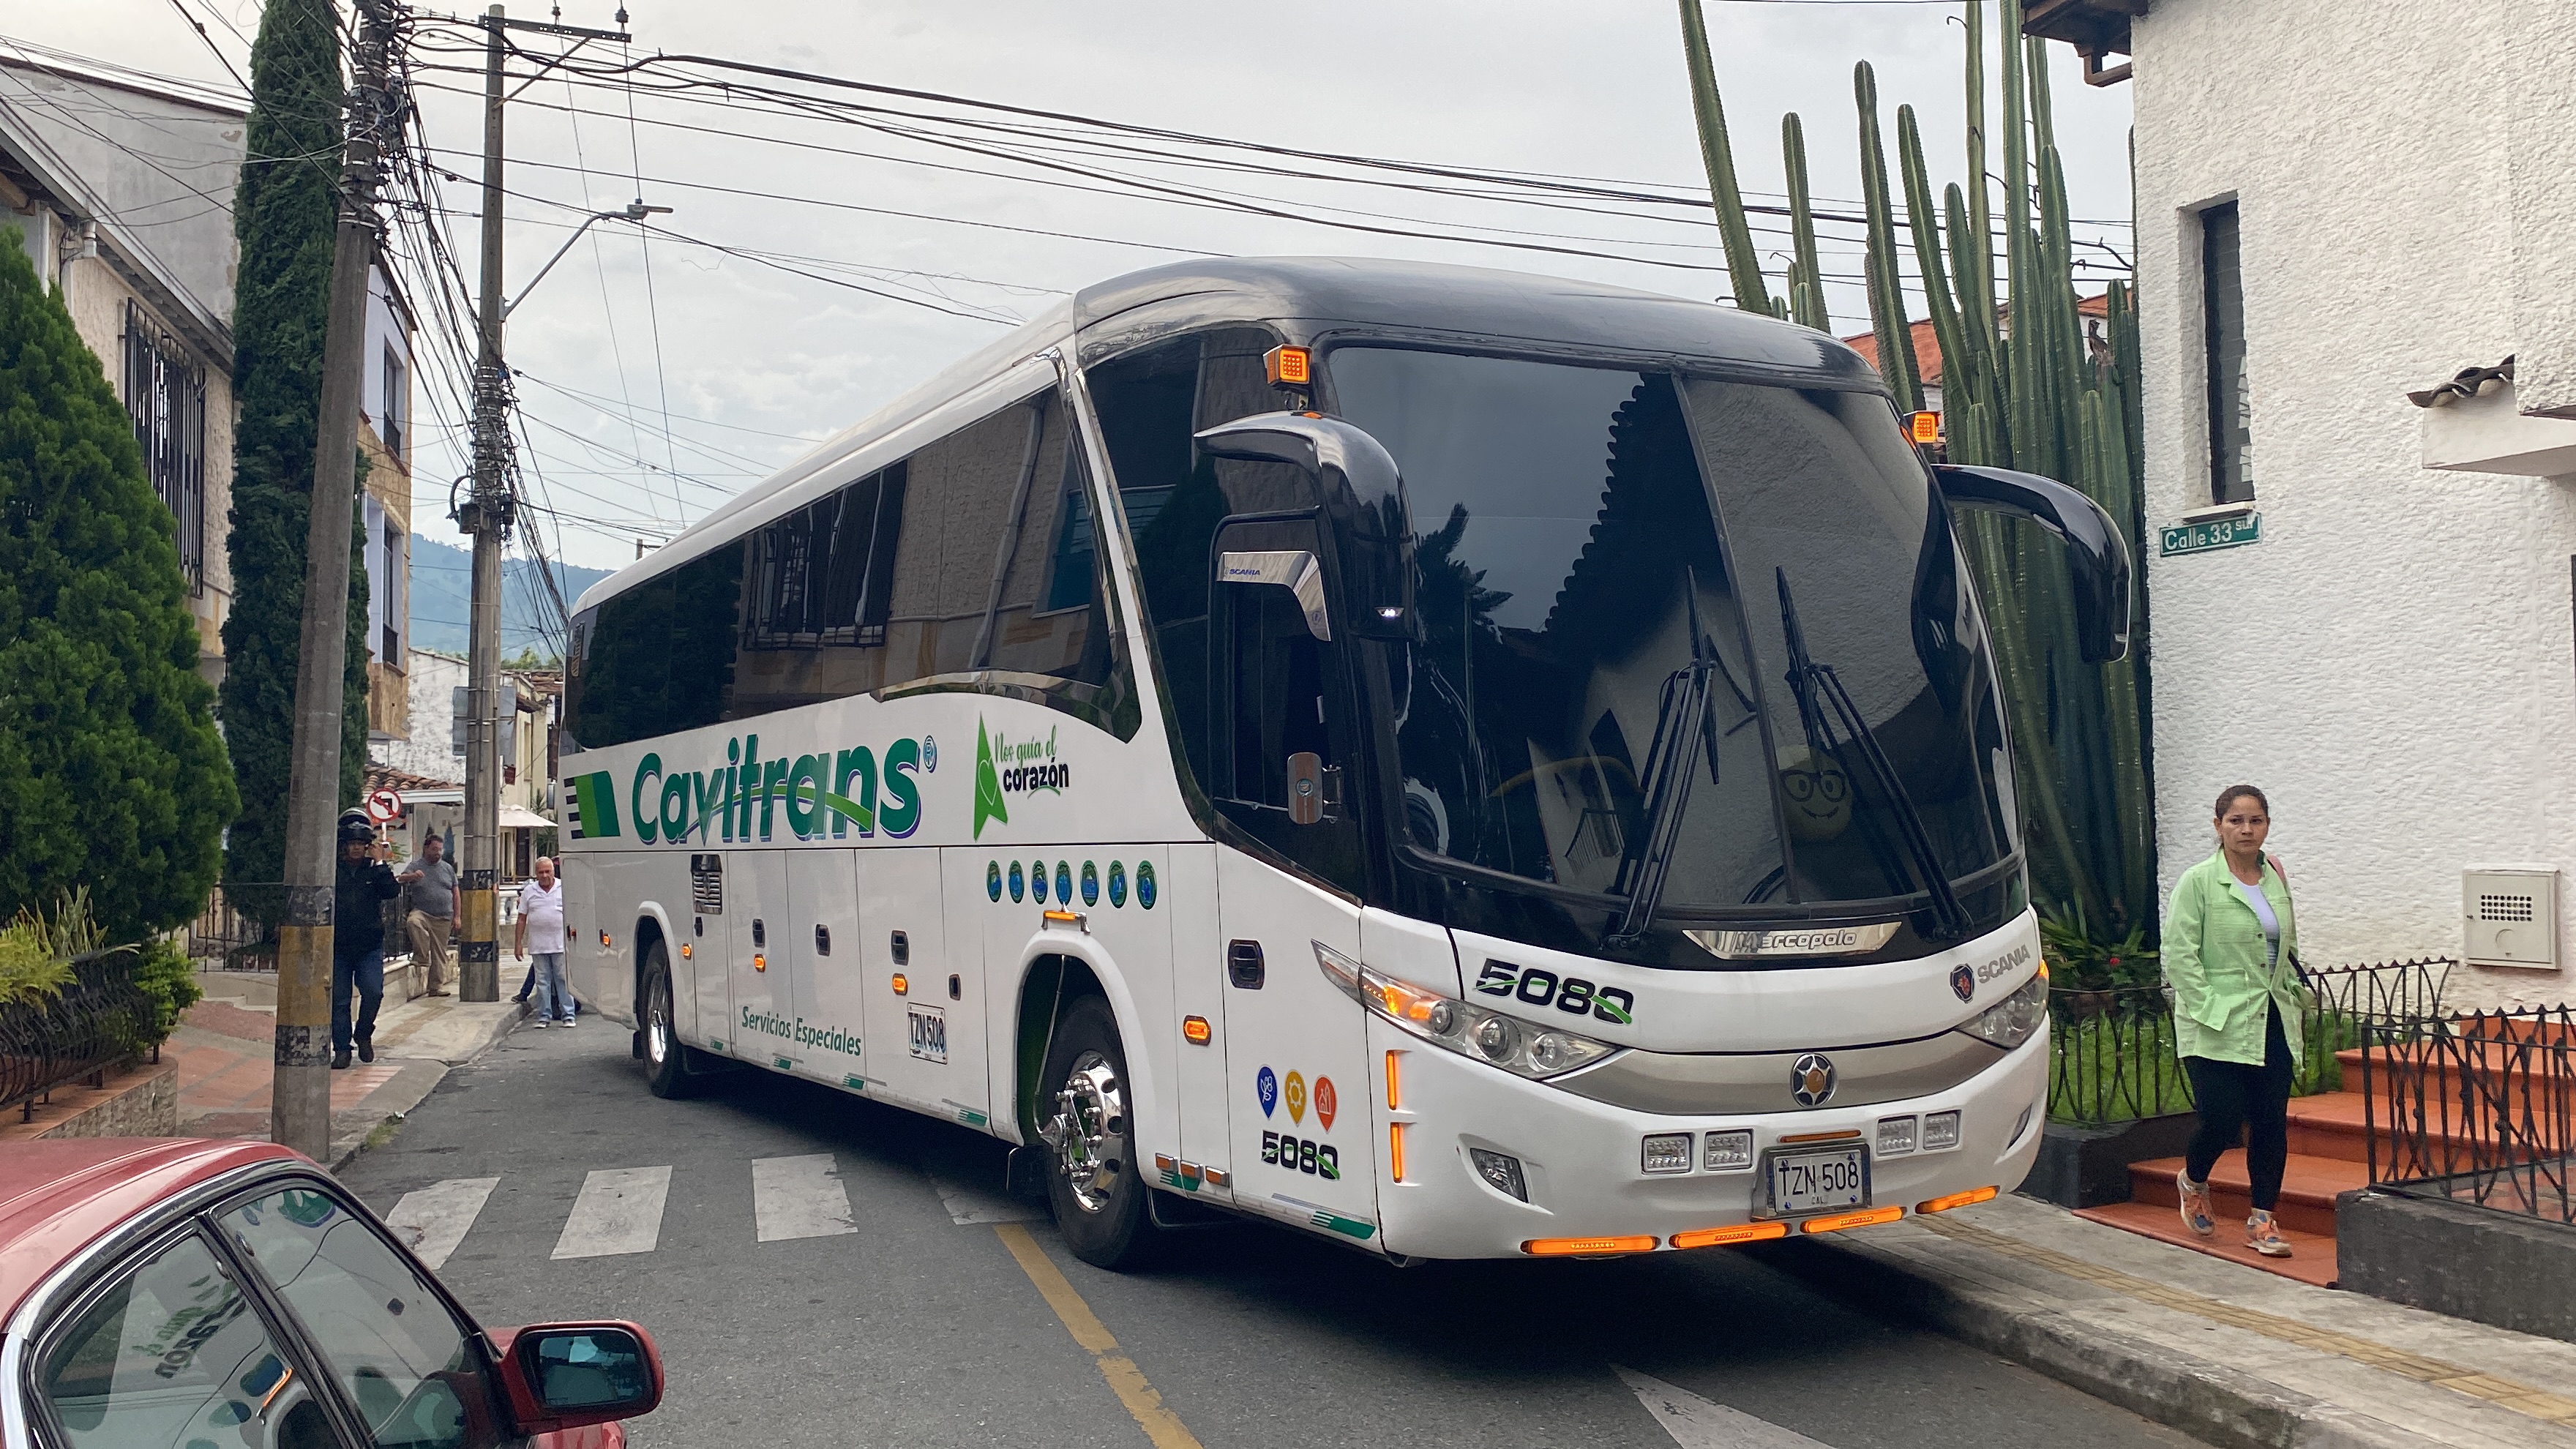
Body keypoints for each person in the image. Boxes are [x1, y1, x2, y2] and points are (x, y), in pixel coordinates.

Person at [2164, 784, 2309, 1259]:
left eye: (2256, 821)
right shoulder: (2199, 881)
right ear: (2218, 826)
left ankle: (2263, 1220)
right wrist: (2211, 1009)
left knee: (2270, 1122)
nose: (2247, 829)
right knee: (2222, 1119)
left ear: (2267, 825)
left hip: (2271, 1016)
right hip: (2215, 1022)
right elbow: (2179, 955)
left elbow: (2286, 944)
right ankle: (2193, 1180)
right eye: (2236, 821)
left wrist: (2295, 993)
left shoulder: (2275, 875)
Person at [332, 813, 402, 1070]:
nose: (355, 849)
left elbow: (392, 892)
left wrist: (380, 862)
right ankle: (342, 1049)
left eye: (360, 844)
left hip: (369, 945)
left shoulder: (375, 871)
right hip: (338, 946)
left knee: (373, 992)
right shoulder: (332, 869)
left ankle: (363, 1033)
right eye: (351, 843)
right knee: (339, 1000)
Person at [514, 855, 572, 1027]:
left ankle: (568, 1015)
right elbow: (521, 918)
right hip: (538, 945)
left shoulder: (564, 887)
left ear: (553, 871)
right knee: (542, 981)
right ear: (536, 874)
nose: (545, 875)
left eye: (548, 871)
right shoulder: (529, 892)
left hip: (561, 944)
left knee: (563, 979)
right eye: (541, 872)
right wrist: (518, 944)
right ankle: (544, 1016)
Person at [397, 833, 457, 996]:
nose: (438, 852)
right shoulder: (416, 865)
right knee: (413, 922)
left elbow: (455, 891)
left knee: (440, 953)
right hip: (422, 911)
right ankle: (422, 955)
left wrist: (457, 916)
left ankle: (435, 987)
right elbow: (401, 878)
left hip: (444, 916)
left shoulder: (447, 868)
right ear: (426, 848)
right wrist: (413, 876)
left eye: (440, 849)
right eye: (434, 849)